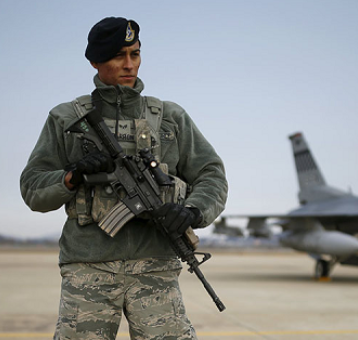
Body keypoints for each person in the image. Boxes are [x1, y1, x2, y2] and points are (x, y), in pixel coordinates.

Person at [20, 17, 228, 340]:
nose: (129, 65)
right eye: (119, 56)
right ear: (95, 61)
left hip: (155, 267)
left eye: (135, 53)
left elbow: (212, 174)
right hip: (89, 268)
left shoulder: (170, 119)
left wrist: (193, 212)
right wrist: (74, 176)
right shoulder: (66, 119)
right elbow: (32, 187)